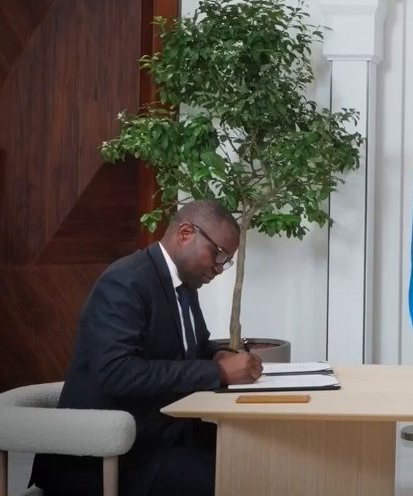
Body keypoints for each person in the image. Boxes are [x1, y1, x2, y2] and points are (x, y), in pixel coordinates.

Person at [30, 200, 263, 496]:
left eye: (226, 261)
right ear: (186, 233)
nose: (219, 268)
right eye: (218, 254)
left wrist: (216, 355)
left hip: (162, 434)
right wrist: (217, 372)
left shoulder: (183, 284)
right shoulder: (126, 280)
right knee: (238, 480)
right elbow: (117, 373)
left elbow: (186, 348)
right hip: (109, 455)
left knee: (255, 455)